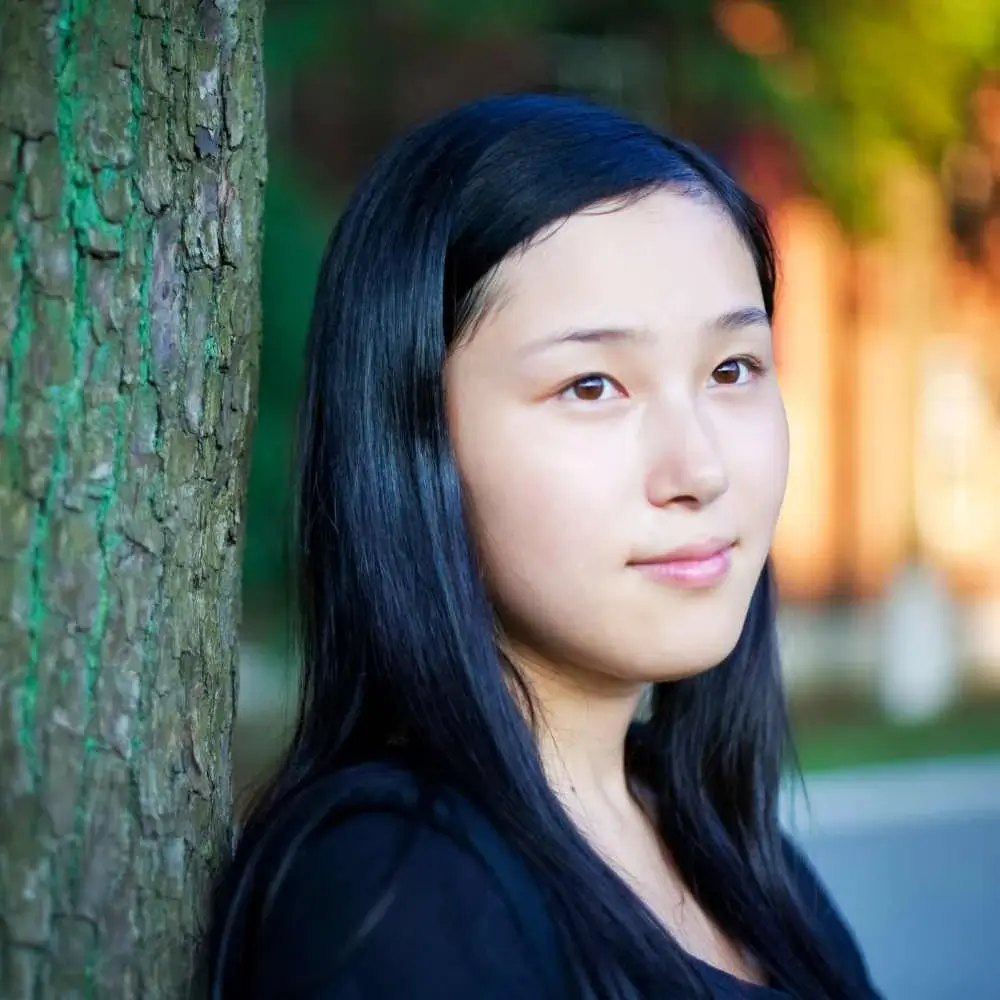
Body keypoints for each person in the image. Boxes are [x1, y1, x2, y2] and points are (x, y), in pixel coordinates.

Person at [209, 93, 882, 1000]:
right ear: (415, 438)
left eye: (733, 370)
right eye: (593, 385)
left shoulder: (734, 855)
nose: (701, 469)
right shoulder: (395, 890)